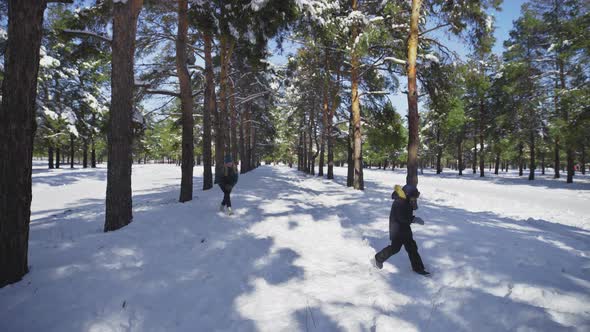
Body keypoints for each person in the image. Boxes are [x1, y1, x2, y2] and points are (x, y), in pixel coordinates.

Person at [373, 184, 430, 276]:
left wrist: (413, 204)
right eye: (413, 197)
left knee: (412, 247)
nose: (414, 199)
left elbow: (408, 212)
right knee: (395, 248)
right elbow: (402, 218)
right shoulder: (399, 202)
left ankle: (418, 268)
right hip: (397, 229)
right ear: (407, 195)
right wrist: (414, 219)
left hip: (405, 228)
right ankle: (378, 258)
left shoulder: (406, 200)